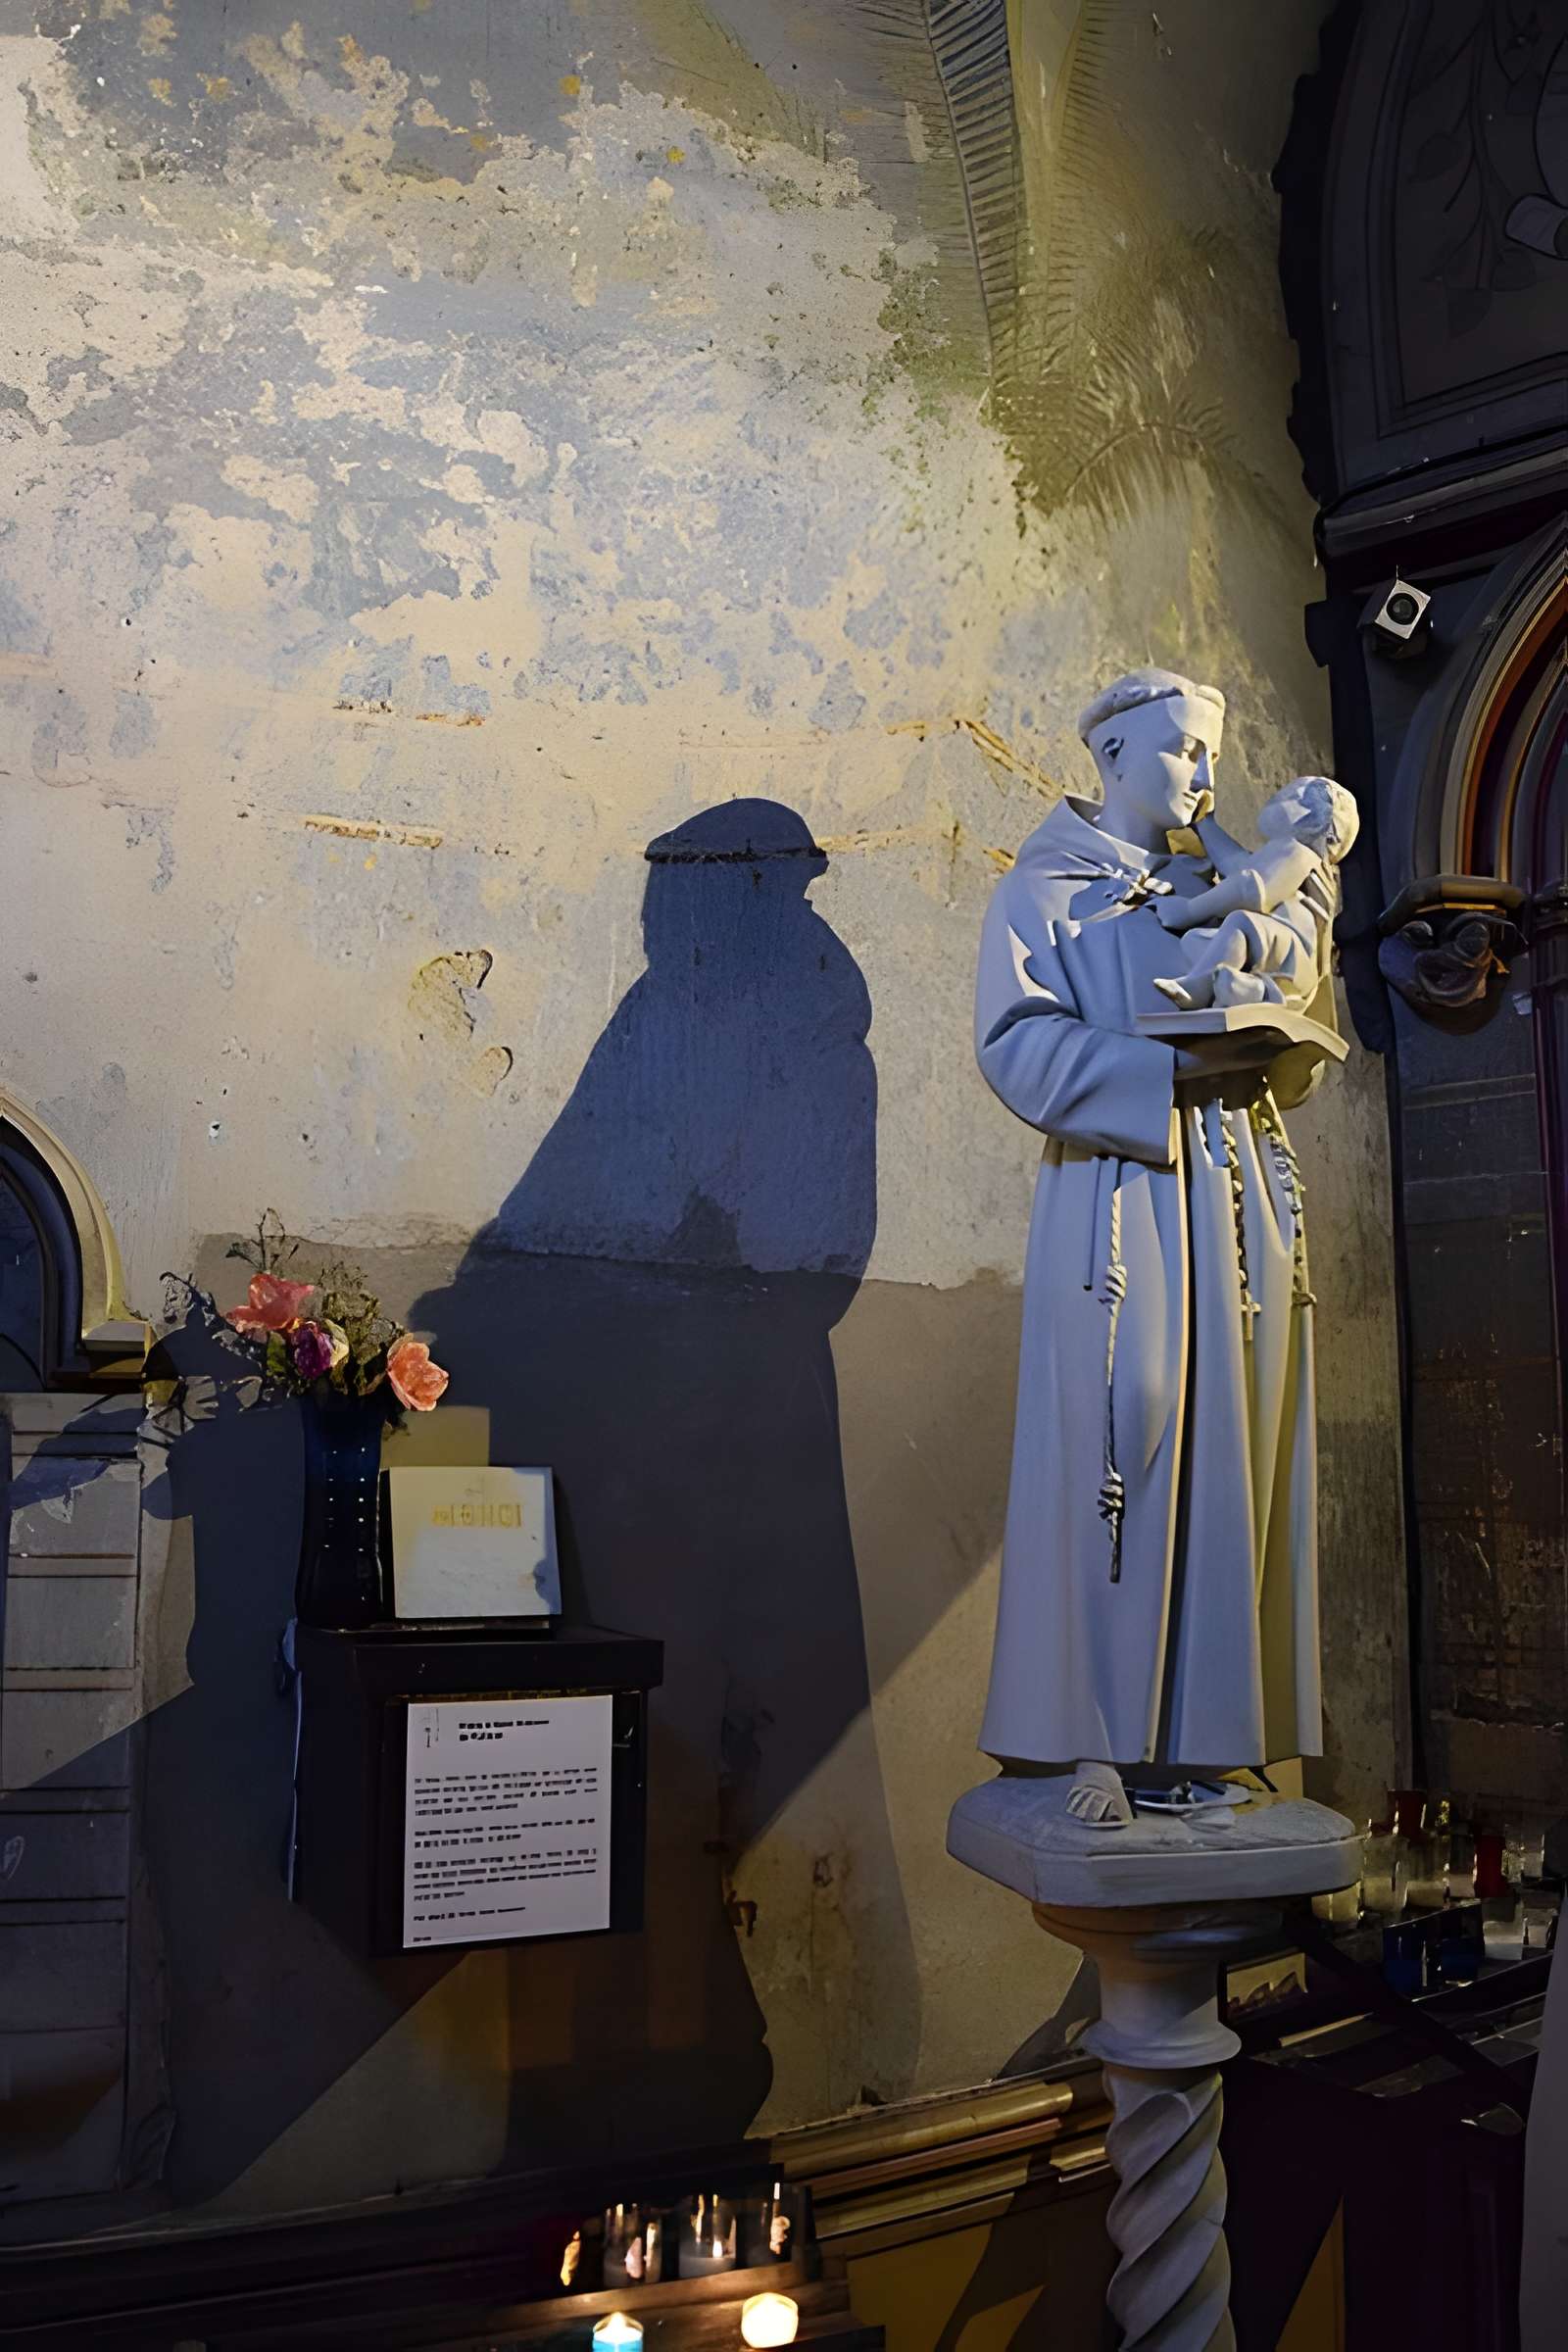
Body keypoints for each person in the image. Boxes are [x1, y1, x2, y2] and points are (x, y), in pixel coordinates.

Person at [974, 669, 1337, 1829]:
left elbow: (1289, 979)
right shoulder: (1048, 888)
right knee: (1120, 1439)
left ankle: (1203, 1741)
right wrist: (1162, 1071)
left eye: (1208, 754)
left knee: (1231, 1447)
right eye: (1183, 751)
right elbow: (1017, 1043)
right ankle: (1094, 1737)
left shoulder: (1208, 883)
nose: (1204, 777)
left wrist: (1269, 1033)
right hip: (1119, 1197)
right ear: (1116, 752)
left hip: (1231, 1191)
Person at [1152, 774, 1358, 1012]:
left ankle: (1197, 989)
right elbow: (1237, 866)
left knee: (1241, 922)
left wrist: (1188, 910)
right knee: (1195, 941)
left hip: (1292, 951)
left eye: (1289, 795)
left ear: (1313, 820)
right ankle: (1246, 988)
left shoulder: (1299, 852)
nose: (1276, 798)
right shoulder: (1289, 857)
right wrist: (1204, 823)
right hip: (1285, 962)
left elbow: (1251, 888)